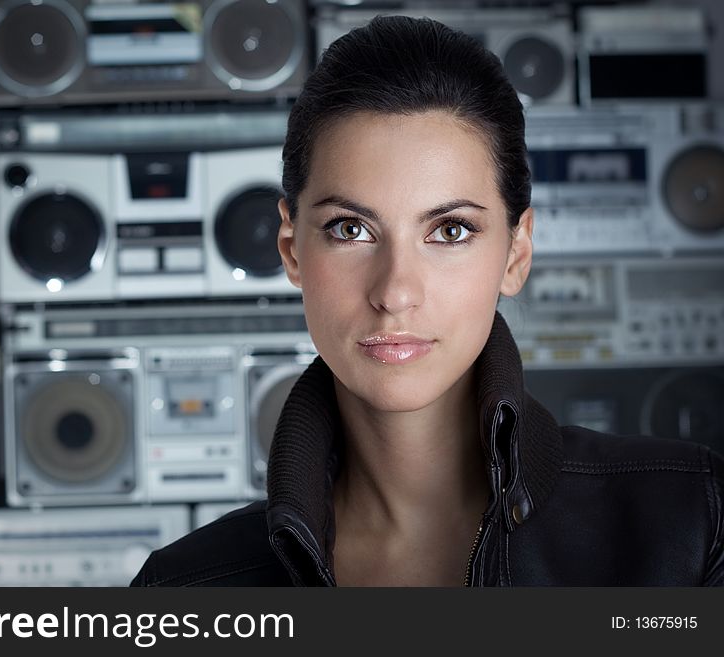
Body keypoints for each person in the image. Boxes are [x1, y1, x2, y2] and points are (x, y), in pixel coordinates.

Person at [132, 16, 724, 586]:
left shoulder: (692, 522)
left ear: (516, 254)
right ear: (291, 248)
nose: (395, 293)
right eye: (350, 229)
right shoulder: (185, 590)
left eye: (450, 231)